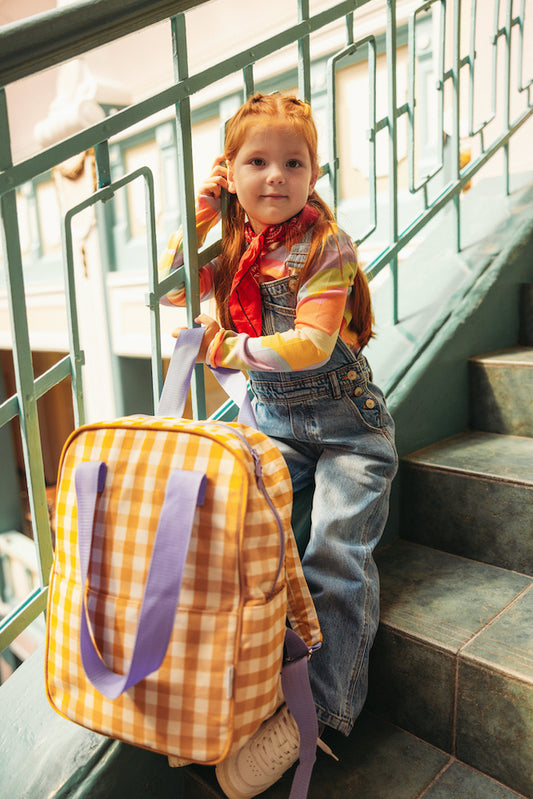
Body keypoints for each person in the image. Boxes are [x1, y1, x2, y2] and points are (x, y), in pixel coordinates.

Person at [159, 92, 398, 799]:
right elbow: (169, 286)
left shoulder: (327, 244)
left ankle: (319, 710)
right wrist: (205, 204)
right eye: (255, 162)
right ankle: (242, 682)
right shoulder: (232, 245)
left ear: (313, 173)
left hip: (350, 434)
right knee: (243, 536)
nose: (275, 176)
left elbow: (310, 344)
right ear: (230, 174)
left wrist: (224, 345)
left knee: (332, 547)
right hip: (277, 427)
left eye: (292, 162)